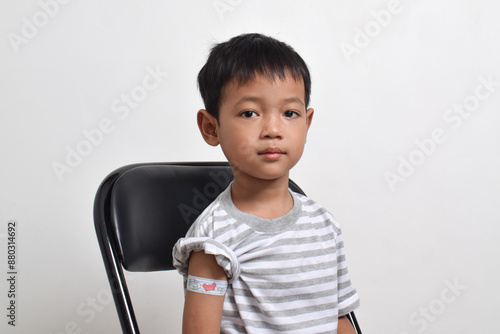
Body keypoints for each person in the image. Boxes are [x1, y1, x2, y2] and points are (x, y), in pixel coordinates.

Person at [173, 33, 359, 333]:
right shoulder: (214, 241)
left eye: (289, 113)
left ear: (306, 124)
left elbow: (337, 320)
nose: (273, 129)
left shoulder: (324, 225)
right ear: (211, 127)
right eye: (249, 113)